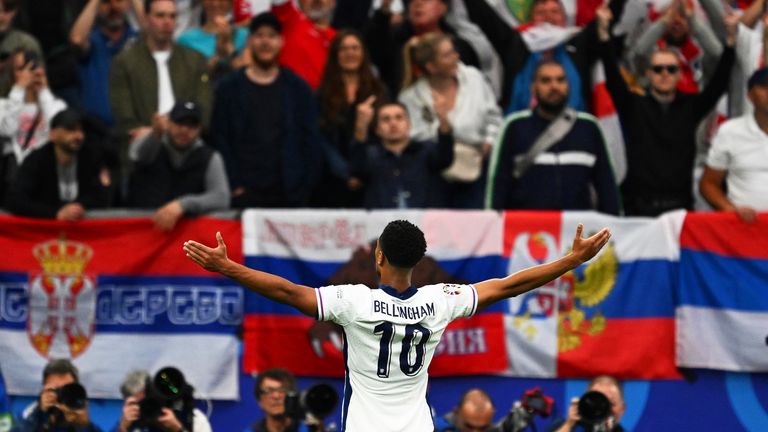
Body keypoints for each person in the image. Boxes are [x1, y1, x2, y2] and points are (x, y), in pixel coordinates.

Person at [183, 219, 611, 431]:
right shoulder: (440, 300)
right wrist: (571, 260)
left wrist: (229, 268)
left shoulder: (354, 301)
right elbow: (510, 285)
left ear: (379, 256)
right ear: (419, 262)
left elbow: (287, 292)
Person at [596, 4, 737, 216]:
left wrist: (732, 42)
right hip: (638, 209)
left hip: (679, 210)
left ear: (679, 74)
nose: (664, 74)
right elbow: (612, 74)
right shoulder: (633, 105)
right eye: (657, 69)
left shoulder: (691, 107)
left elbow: (720, 79)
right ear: (649, 74)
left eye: (671, 69)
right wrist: (604, 35)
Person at [210, 12, 323, 208]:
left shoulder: (298, 89)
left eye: (271, 36)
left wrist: (303, 187)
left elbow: (311, 141)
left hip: (288, 196)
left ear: (281, 41)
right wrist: (233, 184)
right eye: (260, 36)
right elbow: (220, 138)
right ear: (249, 41)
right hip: (243, 195)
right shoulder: (229, 89)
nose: (265, 42)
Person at [485, 59, 621, 215]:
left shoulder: (589, 127)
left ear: (568, 86)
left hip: (576, 231)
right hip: (526, 232)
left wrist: (614, 229)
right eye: (545, 81)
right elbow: (498, 185)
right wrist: (493, 225)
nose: (554, 86)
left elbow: (607, 185)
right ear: (533, 87)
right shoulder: (514, 127)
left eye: (560, 80)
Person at [460, 0, 628, 112]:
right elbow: (484, 16)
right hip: (522, 134)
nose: (548, 17)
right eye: (541, 12)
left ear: (564, 19)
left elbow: (608, 16)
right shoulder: (516, 44)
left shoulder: (580, 44)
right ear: (532, 19)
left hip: (573, 132)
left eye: (555, 11)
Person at [399, 32, 502, 208]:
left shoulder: (474, 78)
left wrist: (490, 141)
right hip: (434, 176)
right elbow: (415, 138)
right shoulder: (411, 97)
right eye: (447, 55)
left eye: (453, 51)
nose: (456, 57)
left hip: (477, 167)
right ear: (431, 67)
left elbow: (494, 116)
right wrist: (443, 126)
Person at [109, 0, 211, 176]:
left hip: (188, 147)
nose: (167, 22)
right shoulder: (125, 62)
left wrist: (170, 129)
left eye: (172, 16)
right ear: (147, 18)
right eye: (160, 16)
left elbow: (204, 110)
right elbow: (125, 118)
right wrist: (154, 131)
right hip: (144, 152)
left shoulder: (195, 60)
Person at [312, 29, 388, 208]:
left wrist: (362, 171)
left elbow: (383, 137)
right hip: (332, 181)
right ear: (335, 55)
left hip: (373, 178)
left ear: (363, 53)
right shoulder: (321, 96)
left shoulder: (380, 92)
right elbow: (321, 141)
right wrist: (346, 173)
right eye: (343, 49)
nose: (350, 53)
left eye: (355, 48)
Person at [126, 99, 230, 231]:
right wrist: (154, 134)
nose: (184, 130)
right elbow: (136, 156)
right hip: (143, 231)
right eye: (179, 123)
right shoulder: (152, 143)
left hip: (187, 237)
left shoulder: (210, 157)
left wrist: (183, 205)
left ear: (200, 129)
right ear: (168, 123)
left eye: (192, 125)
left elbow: (221, 197)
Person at [6, 108, 112, 220]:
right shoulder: (36, 160)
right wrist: (55, 214)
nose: (79, 136)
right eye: (70, 129)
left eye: (81, 130)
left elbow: (102, 196)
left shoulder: (91, 157)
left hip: (81, 228)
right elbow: (15, 200)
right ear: (53, 134)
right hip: (45, 229)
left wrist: (79, 207)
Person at [349, 101, 454, 208]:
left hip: (424, 221)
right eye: (386, 119)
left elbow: (445, 159)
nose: (393, 123)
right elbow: (357, 169)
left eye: (399, 118)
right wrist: (361, 127)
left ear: (409, 125)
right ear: (377, 129)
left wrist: (443, 118)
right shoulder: (370, 154)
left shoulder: (426, 149)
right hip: (382, 222)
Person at [365, 0, 480, 94]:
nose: (418, 4)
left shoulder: (459, 46)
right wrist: (384, 11)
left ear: (443, 8)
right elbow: (373, 49)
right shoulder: (396, 42)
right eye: (412, 1)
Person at [699, 67, 768, 223]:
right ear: (750, 95)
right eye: (764, 86)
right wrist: (730, 209)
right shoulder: (730, 131)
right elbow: (708, 183)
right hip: (745, 230)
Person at [69, 0, 141, 126]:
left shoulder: (138, 40)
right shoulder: (92, 41)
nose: (113, 6)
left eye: (119, 0)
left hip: (135, 128)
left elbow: (154, 29)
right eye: (106, 2)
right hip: (96, 131)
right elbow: (77, 39)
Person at [13, 358, 103, 432]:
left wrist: (85, 426)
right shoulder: (31, 415)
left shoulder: (79, 414)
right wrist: (40, 413)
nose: (61, 394)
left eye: (67, 389)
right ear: (44, 389)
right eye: (55, 389)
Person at [114, 369, 212, 432]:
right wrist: (123, 428)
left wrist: (177, 429)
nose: (148, 406)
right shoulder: (130, 424)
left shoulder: (192, 418)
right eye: (139, 403)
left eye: (149, 400)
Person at [270, 0, 337, 90]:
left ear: (333, 2)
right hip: (289, 98)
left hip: (325, 100)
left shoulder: (341, 40)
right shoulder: (290, 20)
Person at [177, 0, 249, 83]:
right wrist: (217, 55)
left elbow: (249, 76)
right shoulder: (186, 40)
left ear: (230, 4)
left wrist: (229, 47)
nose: (215, 3)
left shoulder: (244, 36)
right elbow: (187, 80)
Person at [549, 375, 625, 432]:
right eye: (598, 402)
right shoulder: (563, 425)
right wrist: (569, 424)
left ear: (622, 409)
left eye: (611, 404)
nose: (604, 408)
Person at [0, 0, 43, 97]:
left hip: (20, 105)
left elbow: (39, 86)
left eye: (8, 9)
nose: (2, 17)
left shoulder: (25, 43)